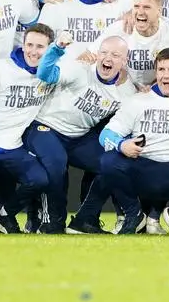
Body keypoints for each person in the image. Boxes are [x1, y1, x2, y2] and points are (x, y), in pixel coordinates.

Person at [95, 48, 169, 235]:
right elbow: (106, 134)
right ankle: (133, 214)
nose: (165, 75)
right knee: (108, 161)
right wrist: (122, 145)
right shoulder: (137, 101)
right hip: (146, 169)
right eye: (161, 70)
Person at [25, 34, 134, 233]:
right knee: (56, 162)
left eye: (115, 55)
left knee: (112, 164)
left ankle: (85, 220)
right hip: (46, 126)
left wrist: (149, 92)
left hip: (78, 137)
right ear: (97, 54)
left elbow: (136, 113)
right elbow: (44, 74)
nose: (108, 58)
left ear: (124, 61)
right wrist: (56, 48)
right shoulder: (80, 69)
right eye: (104, 53)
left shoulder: (127, 91)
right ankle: (52, 221)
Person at [0, 23, 62, 234]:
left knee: (40, 179)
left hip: (13, 146)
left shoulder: (53, 74)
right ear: (23, 45)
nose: (33, 52)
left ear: (50, 48)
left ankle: (5, 216)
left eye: (40, 47)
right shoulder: (0, 69)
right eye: (30, 45)